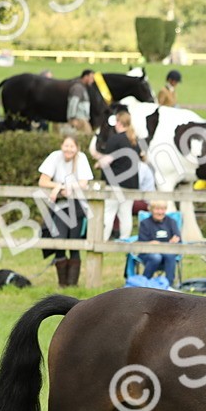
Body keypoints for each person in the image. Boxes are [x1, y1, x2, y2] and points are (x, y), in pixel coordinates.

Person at [37, 134, 93, 287]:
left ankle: (73, 285)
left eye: (72, 146)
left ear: (76, 148)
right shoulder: (55, 157)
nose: (68, 149)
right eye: (66, 145)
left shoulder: (81, 158)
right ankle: (62, 285)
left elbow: (83, 183)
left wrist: (63, 186)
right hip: (59, 206)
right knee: (59, 241)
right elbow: (43, 181)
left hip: (77, 206)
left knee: (74, 244)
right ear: (62, 146)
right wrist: (58, 186)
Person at [97, 108, 142, 241]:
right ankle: (125, 241)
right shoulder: (135, 140)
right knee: (125, 214)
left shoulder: (115, 139)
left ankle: (102, 240)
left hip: (115, 182)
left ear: (118, 123)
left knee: (108, 213)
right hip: (131, 184)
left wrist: (98, 162)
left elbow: (107, 161)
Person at [137, 200, 182, 285]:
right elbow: (142, 242)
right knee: (156, 257)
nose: (160, 212)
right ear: (151, 210)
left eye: (163, 209)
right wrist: (151, 244)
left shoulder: (171, 222)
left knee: (170, 254)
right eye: (157, 209)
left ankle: (169, 285)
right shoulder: (145, 223)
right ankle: (144, 284)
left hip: (168, 252)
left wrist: (170, 243)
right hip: (149, 253)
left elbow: (177, 239)